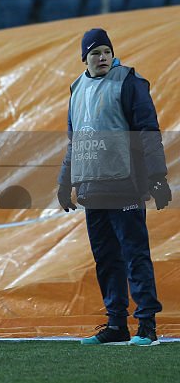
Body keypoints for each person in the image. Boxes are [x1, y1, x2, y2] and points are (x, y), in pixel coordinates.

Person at [58, 28, 171, 347]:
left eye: (106, 51)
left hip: (125, 185)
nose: (103, 57)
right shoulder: (76, 89)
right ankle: (117, 324)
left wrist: (157, 177)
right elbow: (75, 141)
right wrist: (65, 182)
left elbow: (148, 131)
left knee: (135, 254)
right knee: (106, 258)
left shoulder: (129, 83)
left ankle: (147, 325)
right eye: (95, 52)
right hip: (93, 189)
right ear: (85, 58)